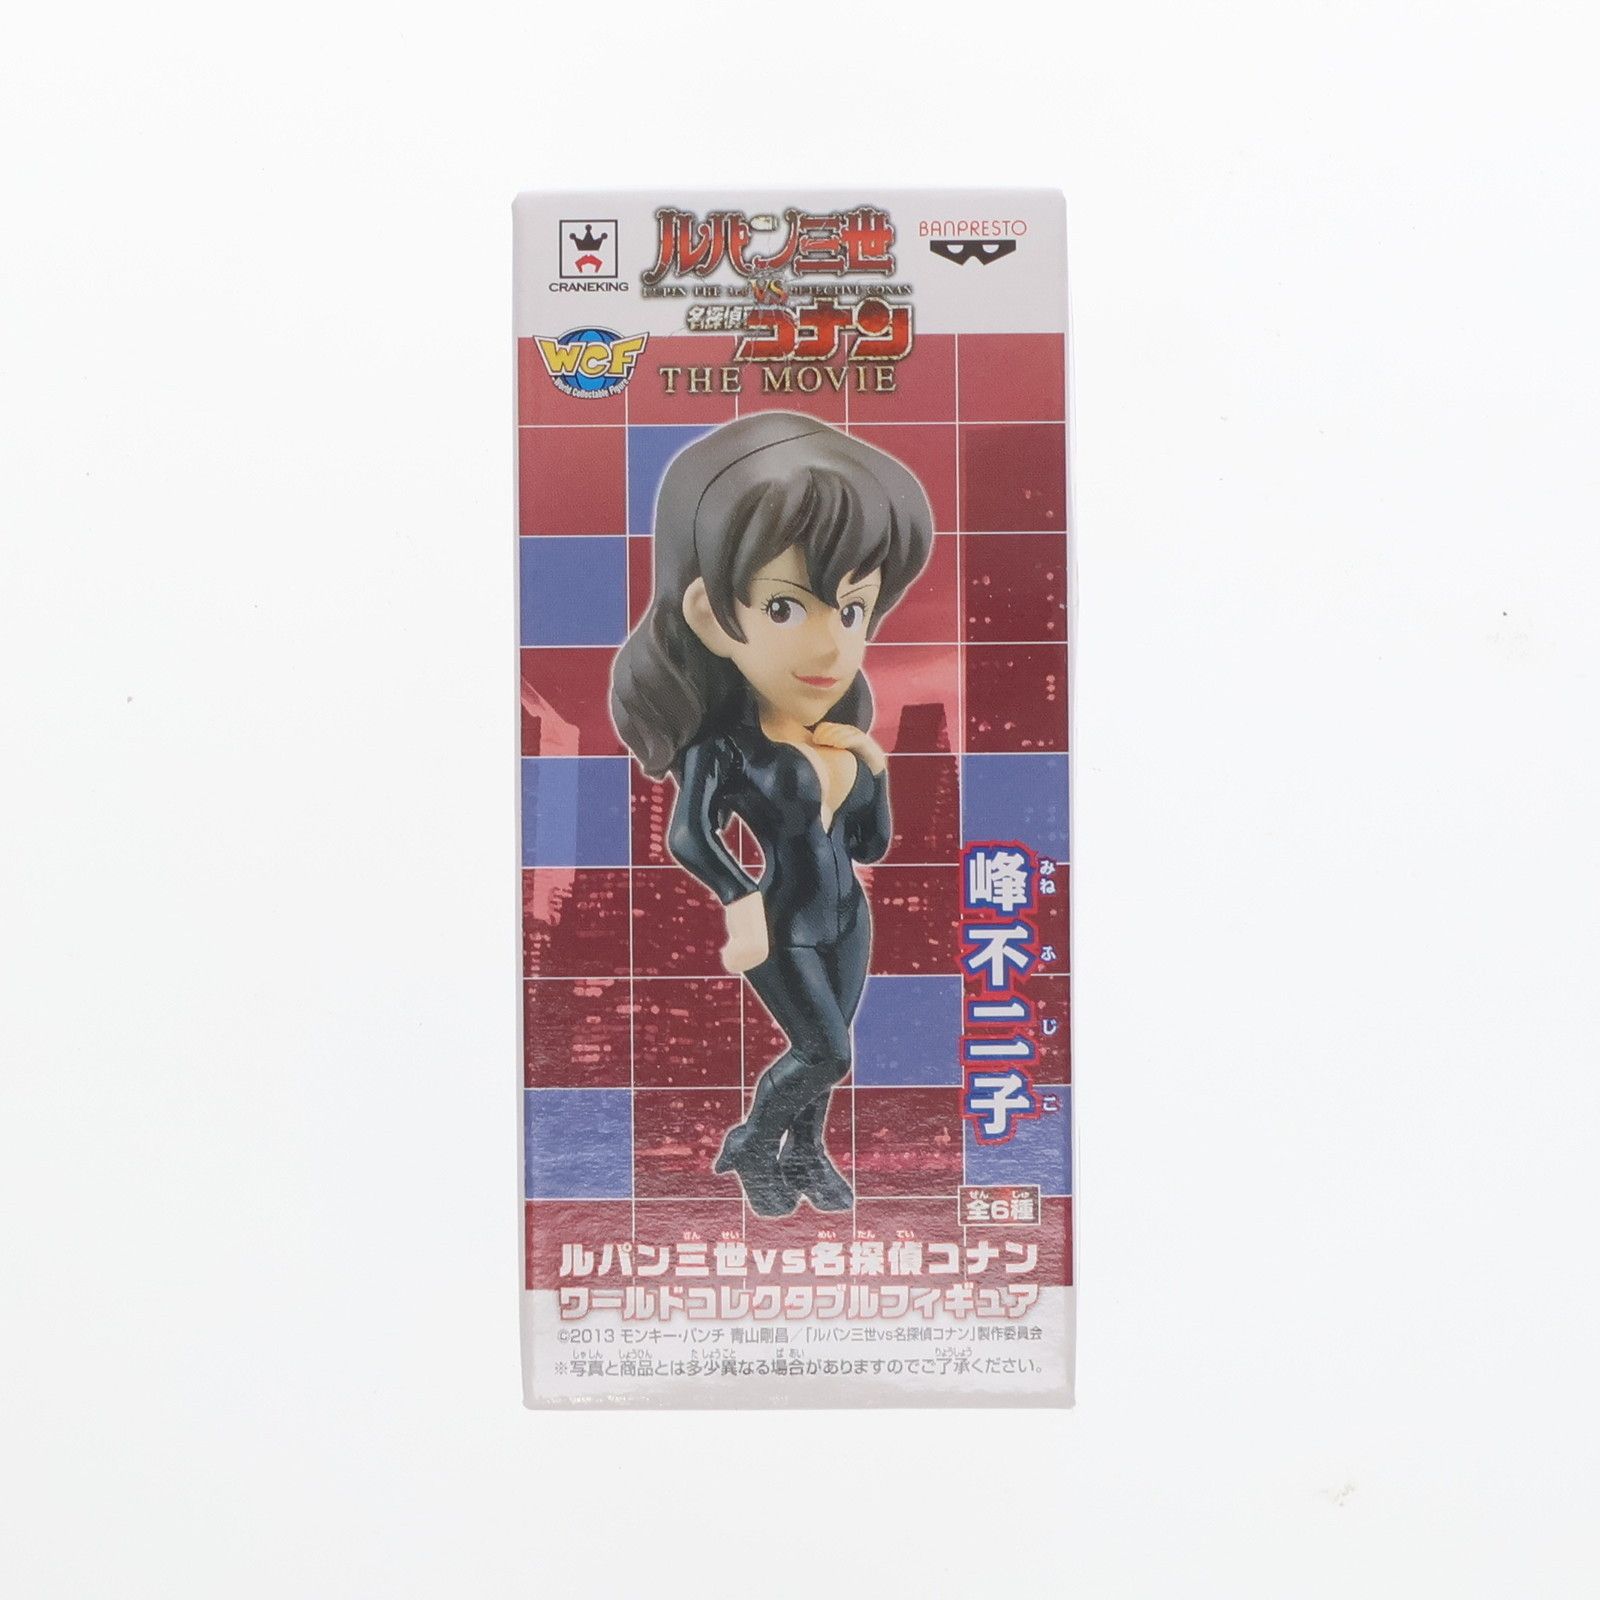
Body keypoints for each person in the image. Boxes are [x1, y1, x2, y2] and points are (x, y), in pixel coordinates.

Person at [610, 413, 934, 1215]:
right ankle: (752, 1143)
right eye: (786, 608)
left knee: (834, 1051)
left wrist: (874, 768)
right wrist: (739, 900)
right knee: (825, 1052)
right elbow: (690, 834)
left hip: (848, 918)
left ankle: (806, 1154)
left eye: (851, 611)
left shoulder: (838, 739)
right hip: (780, 923)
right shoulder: (724, 746)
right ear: (712, 616)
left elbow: (870, 845)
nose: (830, 648)